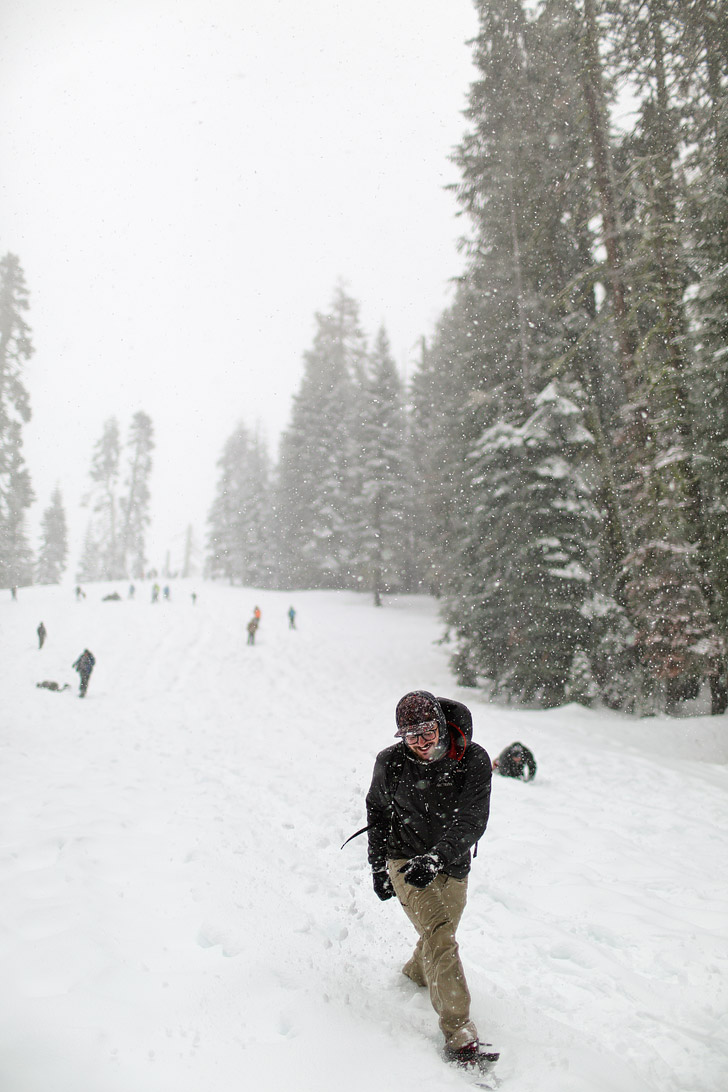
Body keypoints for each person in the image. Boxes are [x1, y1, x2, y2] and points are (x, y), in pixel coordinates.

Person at [366, 690, 494, 1070]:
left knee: (439, 935)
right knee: (440, 935)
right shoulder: (390, 763)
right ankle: (459, 1035)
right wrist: (378, 867)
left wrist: (438, 857)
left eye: (427, 731)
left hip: (451, 862)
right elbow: (377, 814)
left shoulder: (473, 759)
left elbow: (473, 819)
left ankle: (415, 973)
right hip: (405, 858)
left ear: (441, 723)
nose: (421, 743)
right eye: (410, 735)